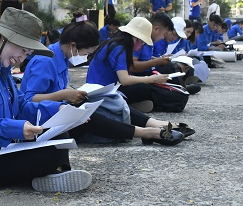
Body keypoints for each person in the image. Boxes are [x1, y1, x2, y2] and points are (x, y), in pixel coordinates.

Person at [0, 7, 92, 193]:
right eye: (22, 49)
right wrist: (15, 128)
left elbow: (20, 105)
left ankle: (56, 173)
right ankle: (52, 172)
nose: (21, 59)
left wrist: (59, 110)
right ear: (4, 37)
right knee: (46, 155)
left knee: (60, 136)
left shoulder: (1, 66)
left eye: (27, 54)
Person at [20, 20, 186, 146]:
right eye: (86, 52)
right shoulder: (45, 61)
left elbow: (58, 88)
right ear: (73, 46)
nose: (85, 57)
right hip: (42, 121)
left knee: (102, 102)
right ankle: (147, 133)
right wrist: (64, 94)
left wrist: (71, 93)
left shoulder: (61, 56)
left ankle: (154, 125)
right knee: (86, 116)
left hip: (59, 108)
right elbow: (28, 100)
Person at [86, 17, 169, 112]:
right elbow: (125, 80)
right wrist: (151, 79)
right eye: (142, 42)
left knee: (143, 86)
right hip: (100, 94)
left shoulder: (114, 43)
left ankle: (126, 106)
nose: (141, 45)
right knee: (143, 88)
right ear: (135, 37)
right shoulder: (118, 48)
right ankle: (123, 106)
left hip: (104, 90)